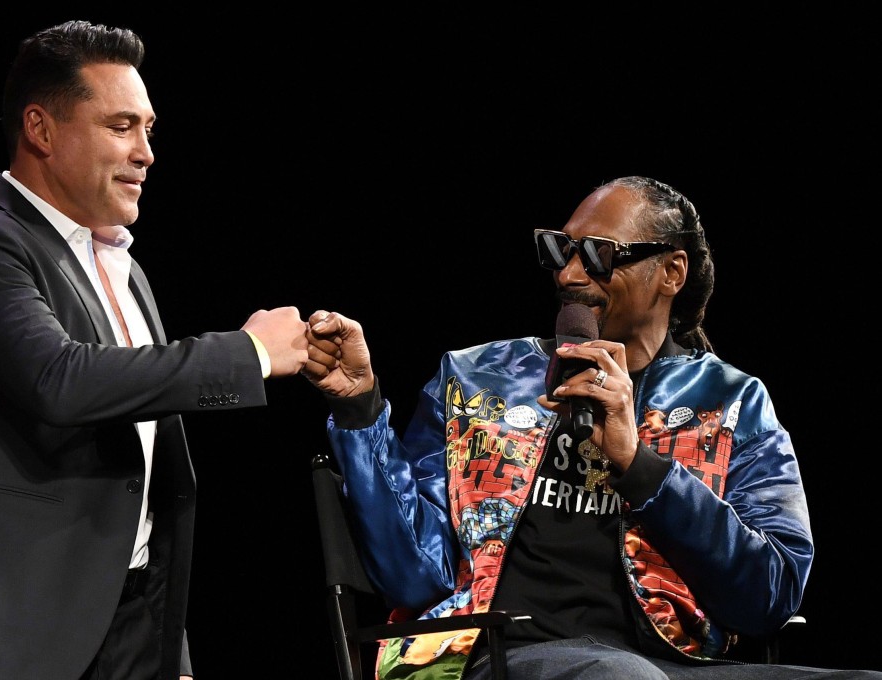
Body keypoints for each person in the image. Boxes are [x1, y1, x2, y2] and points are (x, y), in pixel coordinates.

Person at [302, 176, 881, 678]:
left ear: (671, 271)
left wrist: (642, 467)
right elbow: (414, 576)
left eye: (600, 254)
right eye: (560, 250)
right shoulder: (477, 379)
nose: (570, 274)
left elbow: (770, 595)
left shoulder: (730, 402)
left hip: (675, 664)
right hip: (496, 656)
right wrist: (360, 409)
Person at [0, 20, 309, 680]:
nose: (146, 153)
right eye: (120, 126)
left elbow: (149, 479)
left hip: (128, 638)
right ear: (41, 130)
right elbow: (59, 380)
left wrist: (169, 650)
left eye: (149, 130)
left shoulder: (126, 270)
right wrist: (246, 353)